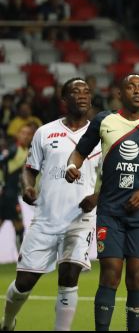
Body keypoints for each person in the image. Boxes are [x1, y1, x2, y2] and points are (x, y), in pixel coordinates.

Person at [65, 74, 139, 331]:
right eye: (131, 87)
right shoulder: (104, 120)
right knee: (110, 274)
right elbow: (80, 151)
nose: (137, 91)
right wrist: (73, 165)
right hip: (110, 211)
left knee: (137, 277)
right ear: (119, 93)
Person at [1, 79, 101, 331]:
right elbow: (29, 169)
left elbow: (112, 177)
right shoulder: (45, 132)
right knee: (24, 282)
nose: (82, 96)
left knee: (69, 276)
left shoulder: (101, 137)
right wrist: (28, 187)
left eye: (86, 92)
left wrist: (96, 197)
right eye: (76, 92)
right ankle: (7, 322)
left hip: (80, 218)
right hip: (46, 218)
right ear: (64, 99)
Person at [0, 124, 34, 254]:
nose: (26, 136)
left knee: (17, 225)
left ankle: (22, 256)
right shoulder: (14, 149)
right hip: (8, 194)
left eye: (28, 134)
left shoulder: (26, 151)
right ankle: (22, 257)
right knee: (19, 225)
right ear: (18, 135)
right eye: (23, 133)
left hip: (11, 194)